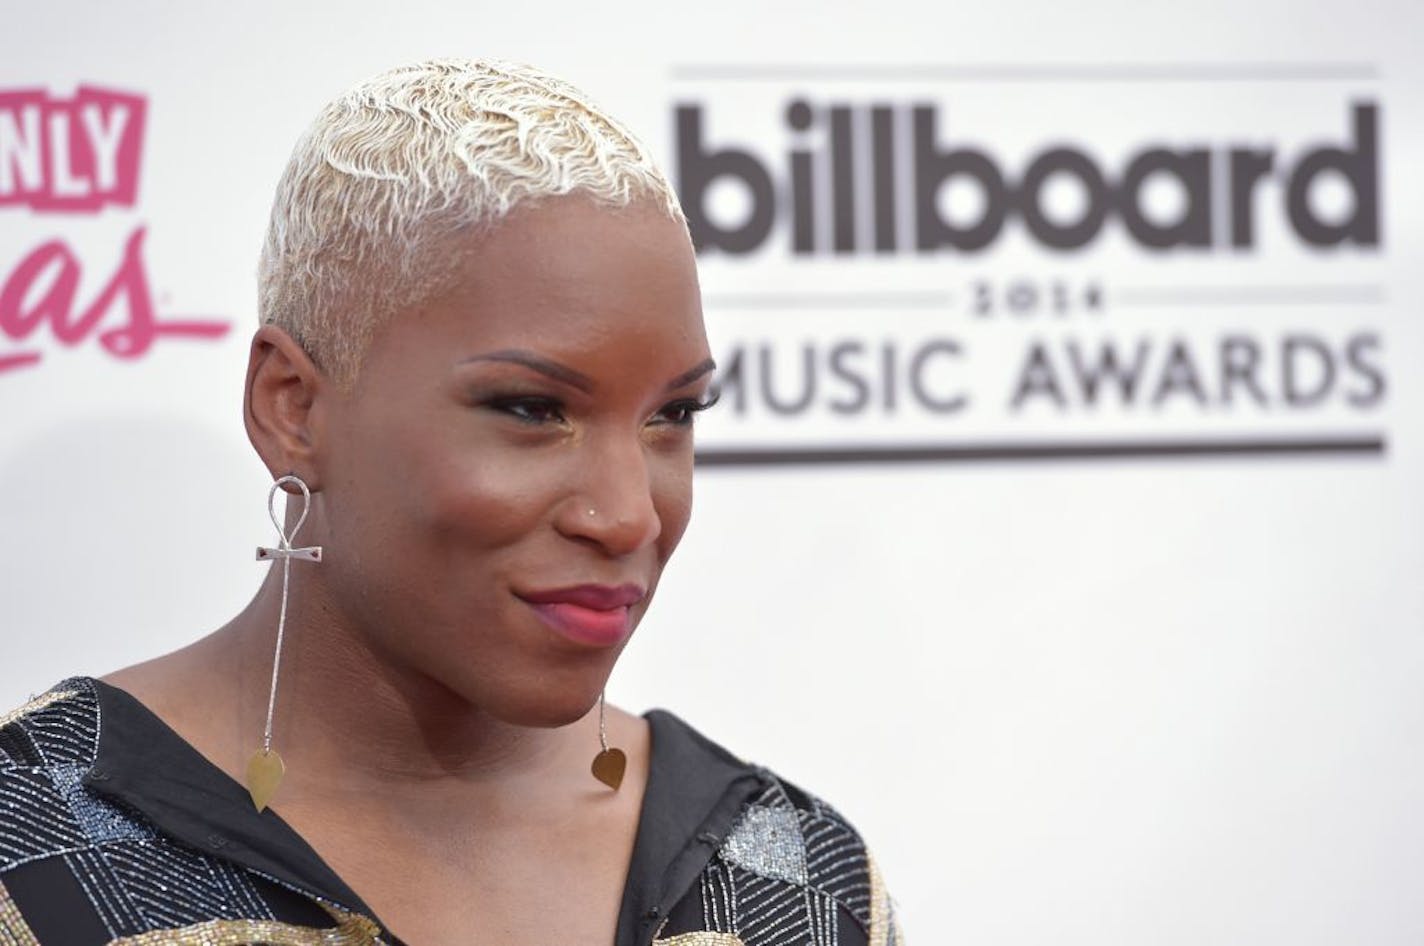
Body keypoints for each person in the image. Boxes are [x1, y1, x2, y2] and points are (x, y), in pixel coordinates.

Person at [0, 58, 902, 945]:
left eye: (674, 414)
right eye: (532, 409)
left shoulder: (797, 880)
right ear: (294, 407)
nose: (630, 516)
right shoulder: (27, 841)